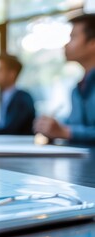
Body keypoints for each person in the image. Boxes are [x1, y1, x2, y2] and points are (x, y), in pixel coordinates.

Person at [34, 14, 95, 143]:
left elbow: (70, 130)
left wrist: (65, 132)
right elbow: (75, 123)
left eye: (73, 37)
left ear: (92, 43)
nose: (66, 45)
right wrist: (52, 127)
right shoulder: (78, 89)